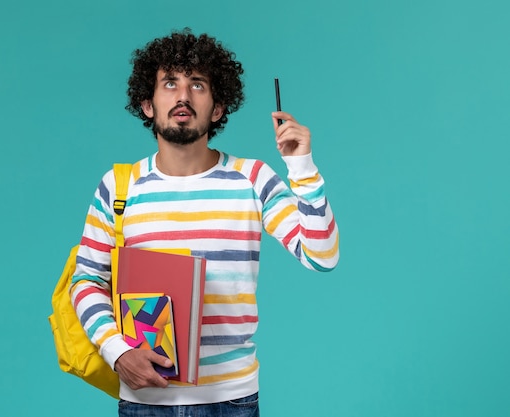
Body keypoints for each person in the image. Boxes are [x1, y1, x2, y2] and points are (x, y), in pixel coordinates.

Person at [71, 28, 339, 416]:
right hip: (144, 402)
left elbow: (322, 255)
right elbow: (87, 282)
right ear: (147, 104)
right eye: (169, 83)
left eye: (197, 84)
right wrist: (117, 352)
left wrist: (302, 166)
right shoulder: (118, 187)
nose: (182, 95)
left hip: (232, 401)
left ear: (217, 108)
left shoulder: (253, 178)